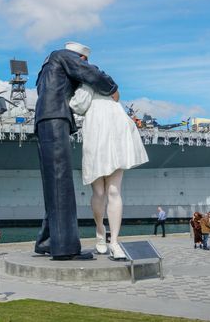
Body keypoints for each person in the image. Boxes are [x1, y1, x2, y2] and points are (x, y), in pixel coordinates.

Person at [34, 41, 118, 261]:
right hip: (55, 119)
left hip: (43, 119)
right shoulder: (65, 56)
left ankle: (48, 241)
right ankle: (66, 248)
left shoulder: (47, 65)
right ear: (80, 57)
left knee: (52, 186)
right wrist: (112, 87)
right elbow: (91, 74)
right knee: (61, 184)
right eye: (84, 61)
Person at [73, 43, 148, 259]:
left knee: (110, 192)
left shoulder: (87, 81)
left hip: (111, 130)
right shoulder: (103, 79)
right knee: (101, 192)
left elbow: (78, 105)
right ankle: (100, 232)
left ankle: (113, 240)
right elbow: (115, 95)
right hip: (104, 130)